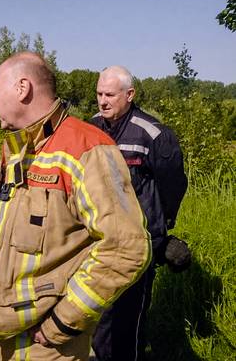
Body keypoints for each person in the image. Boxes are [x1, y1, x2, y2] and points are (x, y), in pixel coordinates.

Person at [0, 52, 151, 360]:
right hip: (4, 341)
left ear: (22, 88)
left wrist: (63, 322)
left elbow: (126, 247)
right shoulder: (17, 148)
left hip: (48, 348)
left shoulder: (88, 147)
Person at [90, 66, 188, 361]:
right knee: (98, 317)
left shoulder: (153, 134)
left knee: (127, 322)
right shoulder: (90, 128)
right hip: (96, 241)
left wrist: (160, 234)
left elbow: (172, 187)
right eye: (98, 94)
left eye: (109, 94)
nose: (102, 101)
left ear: (129, 95)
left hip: (137, 245)